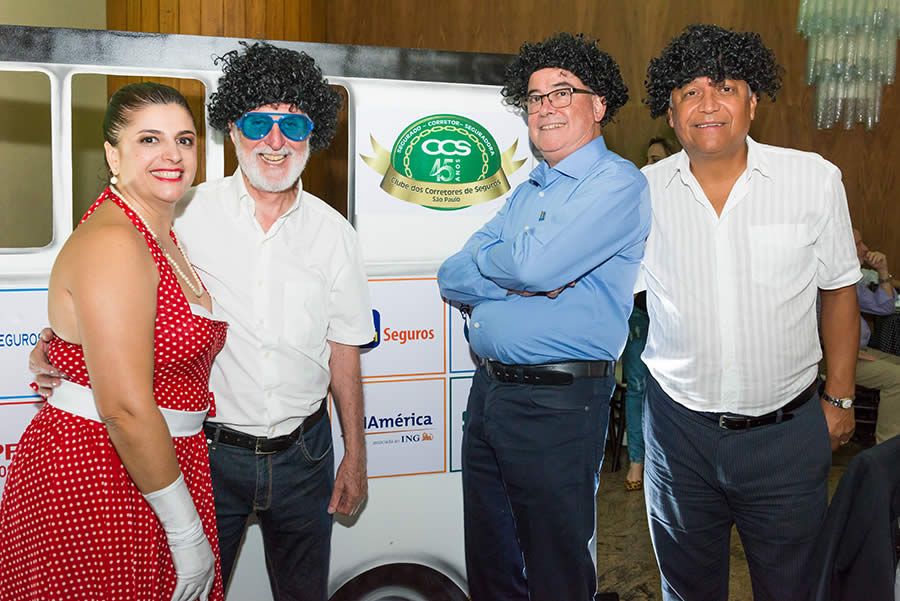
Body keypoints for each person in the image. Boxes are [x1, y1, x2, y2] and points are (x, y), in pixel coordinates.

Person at [31, 42, 374, 601]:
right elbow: (109, 296)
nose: (275, 141)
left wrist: (356, 455)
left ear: (315, 135)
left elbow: (344, 348)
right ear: (234, 129)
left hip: (306, 456)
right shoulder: (181, 212)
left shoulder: (336, 234)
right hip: (209, 455)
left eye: (294, 124)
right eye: (259, 121)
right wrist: (61, 343)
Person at [639, 24, 860, 601]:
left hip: (786, 437)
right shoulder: (639, 195)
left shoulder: (813, 179)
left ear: (753, 101)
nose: (707, 104)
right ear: (670, 111)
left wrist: (839, 397)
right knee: (687, 591)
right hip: (678, 435)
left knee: (794, 590)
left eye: (725, 87)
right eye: (689, 91)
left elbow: (839, 290)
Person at [438, 32, 650, 601]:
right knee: (491, 564)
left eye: (563, 92)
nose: (546, 106)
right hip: (490, 396)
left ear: (598, 105)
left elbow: (533, 269)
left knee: (555, 571)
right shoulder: (528, 189)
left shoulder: (618, 183)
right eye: (535, 98)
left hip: (555, 403)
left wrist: (520, 272)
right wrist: (516, 274)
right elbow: (451, 274)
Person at [2, 83, 225, 600]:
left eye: (185, 140)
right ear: (112, 154)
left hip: (153, 466)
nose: (172, 155)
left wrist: (57, 342)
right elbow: (123, 408)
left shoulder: (160, 231)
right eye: (149, 139)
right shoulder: (114, 239)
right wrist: (186, 532)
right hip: (100, 473)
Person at [621, 136, 676, 492]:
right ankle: (637, 462)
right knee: (637, 388)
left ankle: (670, 464)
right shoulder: (634, 200)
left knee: (671, 391)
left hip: (674, 311)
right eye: (646, 158)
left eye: (657, 158)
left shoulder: (681, 203)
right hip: (640, 311)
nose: (649, 164)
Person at [851, 228, 899, 443]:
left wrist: (882, 271)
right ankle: (887, 451)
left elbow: (885, 308)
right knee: (897, 379)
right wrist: (852, 354)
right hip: (832, 358)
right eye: (859, 244)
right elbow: (817, 332)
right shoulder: (821, 283)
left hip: (858, 350)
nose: (866, 249)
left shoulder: (852, 280)